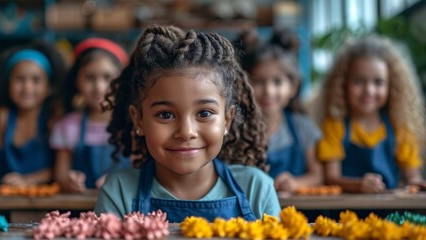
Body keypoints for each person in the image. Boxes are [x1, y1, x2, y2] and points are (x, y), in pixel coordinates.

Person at [94, 26, 280, 222]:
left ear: (227, 119)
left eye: (204, 113)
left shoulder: (256, 189)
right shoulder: (119, 191)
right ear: (138, 119)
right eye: (165, 115)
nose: (186, 132)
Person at [317, 35, 426, 193]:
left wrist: (418, 184)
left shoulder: (399, 128)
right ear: (342, 84)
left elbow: (412, 176)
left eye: (378, 82)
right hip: (344, 214)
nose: (369, 90)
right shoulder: (334, 126)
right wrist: (359, 185)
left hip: (391, 215)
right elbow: (330, 178)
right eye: (359, 81)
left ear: (392, 86)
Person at [237, 31, 322, 193]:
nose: (269, 91)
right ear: (245, 86)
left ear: (293, 87)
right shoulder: (236, 129)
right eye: (259, 81)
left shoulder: (302, 126)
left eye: (277, 82)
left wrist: (295, 183)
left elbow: (317, 175)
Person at [51, 38, 131, 193]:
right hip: (79, 211)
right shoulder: (67, 126)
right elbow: (60, 175)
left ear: (121, 81)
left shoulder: (133, 124)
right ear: (76, 81)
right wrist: (68, 179)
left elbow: (144, 171)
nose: (99, 87)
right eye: (89, 78)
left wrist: (119, 180)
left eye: (107, 77)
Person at [0, 41, 66, 186]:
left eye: (36, 80)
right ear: (8, 84)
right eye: (19, 79)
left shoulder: (53, 117)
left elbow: (59, 167)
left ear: (48, 87)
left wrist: (27, 181)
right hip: (8, 195)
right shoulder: (4, 117)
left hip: (47, 198)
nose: (27, 87)